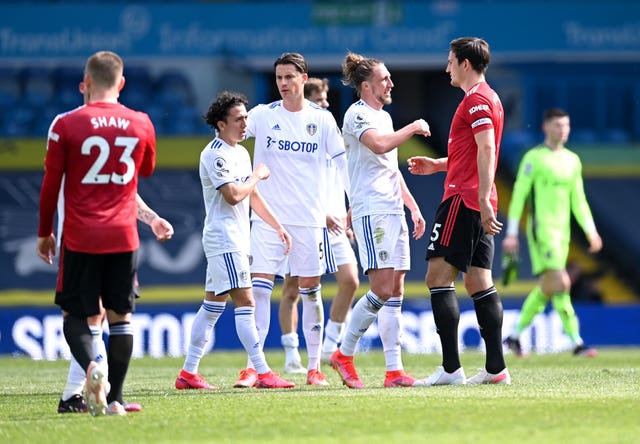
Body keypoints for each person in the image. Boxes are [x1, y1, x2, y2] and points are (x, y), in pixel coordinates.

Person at [37, 50, 156, 416]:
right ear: (121, 83)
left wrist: (44, 232)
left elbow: (50, 184)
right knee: (121, 318)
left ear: (86, 84)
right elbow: (146, 170)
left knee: (76, 316)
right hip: (123, 235)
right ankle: (115, 399)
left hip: (80, 235)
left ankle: (92, 369)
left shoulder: (66, 125)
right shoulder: (141, 122)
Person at [234, 53, 349, 388]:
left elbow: (342, 164)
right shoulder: (263, 115)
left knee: (310, 291)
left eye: (289, 77)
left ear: (303, 77)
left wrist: (350, 206)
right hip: (268, 219)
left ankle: (314, 368)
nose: (283, 83)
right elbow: (233, 133)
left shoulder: (323, 120)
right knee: (258, 291)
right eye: (278, 78)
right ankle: (254, 367)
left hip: (310, 221)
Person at [174, 92, 295, 390]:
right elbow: (233, 195)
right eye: (238, 119)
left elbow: (251, 196)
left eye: (246, 118)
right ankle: (262, 372)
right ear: (221, 123)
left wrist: (278, 226)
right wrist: (256, 176)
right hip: (224, 239)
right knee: (247, 302)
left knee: (212, 307)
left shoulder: (239, 152)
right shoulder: (214, 153)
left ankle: (188, 373)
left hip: (236, 239)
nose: (245, 124)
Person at [408, 37, 510, 385]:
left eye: (451, 61)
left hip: (464, 199)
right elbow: (474, 152)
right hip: (476, 195)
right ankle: (496, 369)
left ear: (466, 64)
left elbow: (487, 149)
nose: (446, 67)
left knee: (437, 277)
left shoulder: (477, 100)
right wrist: (439, 165)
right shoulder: (487, 98)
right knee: (479, 280)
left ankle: (451, 368)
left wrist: (480, 198)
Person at [329, 52, 429, 389]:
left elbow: (389, 167)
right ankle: (343, 353)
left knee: (396, 290)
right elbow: (379, 144)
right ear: (366, 85)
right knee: (382, 288)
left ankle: (394, 370)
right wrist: (413, 128)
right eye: (385, 79)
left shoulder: (383, 116)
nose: (391, 83)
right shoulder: (357, 115)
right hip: (372, 210)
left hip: (392, 208)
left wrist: (412, 206)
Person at [58, 194, 174, 413]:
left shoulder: (79, 161)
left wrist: (45, 230)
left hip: (87, 235)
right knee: (97, 315)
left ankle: (78, 393)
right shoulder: (116, 159)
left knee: (94, 315)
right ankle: (104, 394)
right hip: (108, 236)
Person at [502, 108, 602, 357]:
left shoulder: (572, 161)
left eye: (566, 125)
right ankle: (577, 343)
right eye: (558, 125)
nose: (563, 130)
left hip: (563, 233)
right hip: (542, 230)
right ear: (546, 127)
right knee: (562, 282)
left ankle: (513, 337)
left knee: (549, 287)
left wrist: (591, 231)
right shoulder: (533, 158)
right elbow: (519, 195)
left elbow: (579, 200)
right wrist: (512, 233)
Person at [278, 77, 360, 373]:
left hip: (336, 223)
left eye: (327, 98)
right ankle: (291, 355)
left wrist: (345, 214)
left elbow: (340, 177)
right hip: (306, 220)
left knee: (350, 281)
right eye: (320, 98)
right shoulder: (296, 137)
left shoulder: (332, 132)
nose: (326, 103)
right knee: (293, 289)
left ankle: (329, 347)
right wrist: (320, 212)